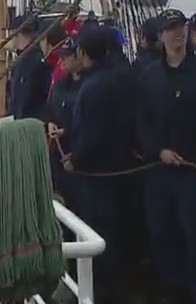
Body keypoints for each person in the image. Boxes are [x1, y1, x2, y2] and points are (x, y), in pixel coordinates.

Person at [134, 9, 196, 304]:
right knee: (161, 231)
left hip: (193, 169)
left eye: (181, 26)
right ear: (161, 36)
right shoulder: (150, 76)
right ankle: (171, 291)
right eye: (171, 28)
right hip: (159, 167)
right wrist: (158, 150)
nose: (178, 32)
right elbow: (141, 121)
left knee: (195, 234)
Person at [65, 25, 133, 303]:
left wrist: (75, 159)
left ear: (83, 52)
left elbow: (92, 133)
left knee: (96, 232)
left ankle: (99, 291)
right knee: (111, 232)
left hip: (95, 174)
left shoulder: (93, 87)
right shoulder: (115, 80)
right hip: (116, 167)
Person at [45, 36, 86, 202]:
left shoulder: (88, 86)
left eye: (65, 56)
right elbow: (50, 109)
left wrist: (66, 131)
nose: (60, 60)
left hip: (78, 156)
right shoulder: (61, 84)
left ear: (78, 57)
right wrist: (50, 123)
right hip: (58, 154)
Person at [5, 15, 50, 119]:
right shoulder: (21, 61)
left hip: (29, 125)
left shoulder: (37, 62)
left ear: (17, 33)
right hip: (18, 123)